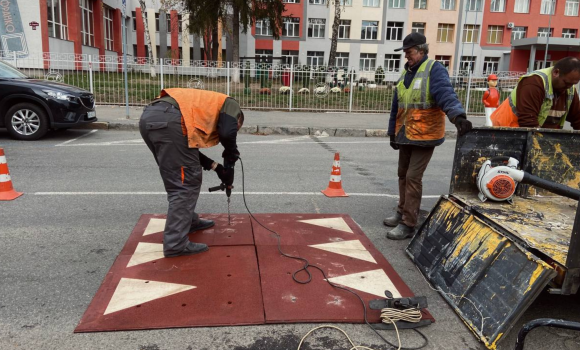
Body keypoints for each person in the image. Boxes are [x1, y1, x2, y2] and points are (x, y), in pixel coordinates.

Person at [385, 32, 472, 240]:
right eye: (405, 52)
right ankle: (402, 210)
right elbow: (397, 107)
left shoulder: (434, 69)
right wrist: (392, 132)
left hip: (425, 135)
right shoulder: (406, 73)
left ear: (422, 50)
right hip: (405, 133)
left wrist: (457, 116)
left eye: (410, 52)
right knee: (402, 173)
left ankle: (409, 223)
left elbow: (445, 94)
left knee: (414, 177)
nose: (406, 56)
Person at [139, 89, 244, 257]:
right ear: (238, 118)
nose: (235, 130)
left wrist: (216, 167)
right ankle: (175, 244)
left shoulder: (200, 109)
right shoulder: (231, 104)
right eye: (237, 126)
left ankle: (188, 221)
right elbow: (227, 132)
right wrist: (232, 152)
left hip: (150, 117)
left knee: (176, 175)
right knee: (185, 183)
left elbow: (189, 152)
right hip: (170, 120)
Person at [491, 57, 580, 129]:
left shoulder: (570, 89)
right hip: (509, 130)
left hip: (534, 133)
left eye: (573, 84)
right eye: (566, 82)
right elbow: (528, 121)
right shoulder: (533, 83)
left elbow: (577, 118)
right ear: (556, 72)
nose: (569, 86)